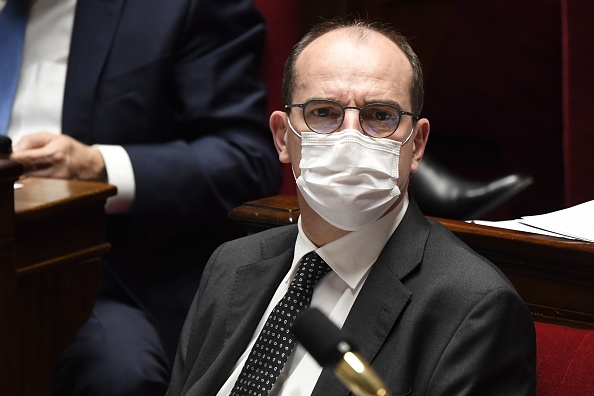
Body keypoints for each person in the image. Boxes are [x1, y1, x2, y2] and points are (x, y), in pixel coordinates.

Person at [166, 19, 537, 396]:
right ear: (282, 137)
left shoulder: (473, 308)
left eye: (379, 116)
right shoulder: (230, 265)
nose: (350, 138)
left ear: (417, 145)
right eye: (323, 113)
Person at [3, 0, 281, 394]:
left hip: (104, 273)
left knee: (118, 374)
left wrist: (100, 165)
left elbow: (244, 160)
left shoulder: (176, 9)